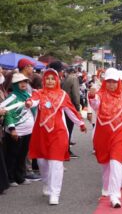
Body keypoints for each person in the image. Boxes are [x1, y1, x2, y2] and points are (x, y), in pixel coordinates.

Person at [26, 69, 86, 205]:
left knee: (56, 163)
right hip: (41, 133)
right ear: (44, 80)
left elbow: (70, 110)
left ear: (57, 80)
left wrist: (80, 123)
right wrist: (29, 103)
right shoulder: (38, 93)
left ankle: (55, 193)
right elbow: (33, 101)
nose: (50, 81)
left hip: (58, 133)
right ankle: (46, 183)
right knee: (42, 162)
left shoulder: (63, 95)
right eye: (47, 78)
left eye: (53, 79)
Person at [88, 68, 122, 208]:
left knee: (116, 162)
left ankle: (115, 195)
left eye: (114, 82)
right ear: (105, 83)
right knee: (106, 164)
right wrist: (92, 97)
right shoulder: (100, 95)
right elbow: (95, 105)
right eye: (109, 82)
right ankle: (106, 187)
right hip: (103, 134)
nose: (112, 84)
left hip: (120, 133)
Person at [2, 73, 35, 187]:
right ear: (15, 84)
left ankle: (20, 177)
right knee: (13, 155)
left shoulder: (27, 95)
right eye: (20, 82)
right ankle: (10, 178)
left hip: (28, 131)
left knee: (22, 155)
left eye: (25, 82)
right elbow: (7, 113)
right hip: (16, 131)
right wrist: (12, 129)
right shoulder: (12, 97)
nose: (23, 84)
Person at [61, 67, 81, 159]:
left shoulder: (63, 79)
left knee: (65, 129)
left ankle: (64, 149)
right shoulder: (73, 78)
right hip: (70, 105)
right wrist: (77, 108)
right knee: (69, 129)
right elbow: (76, 94)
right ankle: (67, 150)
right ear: (73, 72)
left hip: (62, 106)